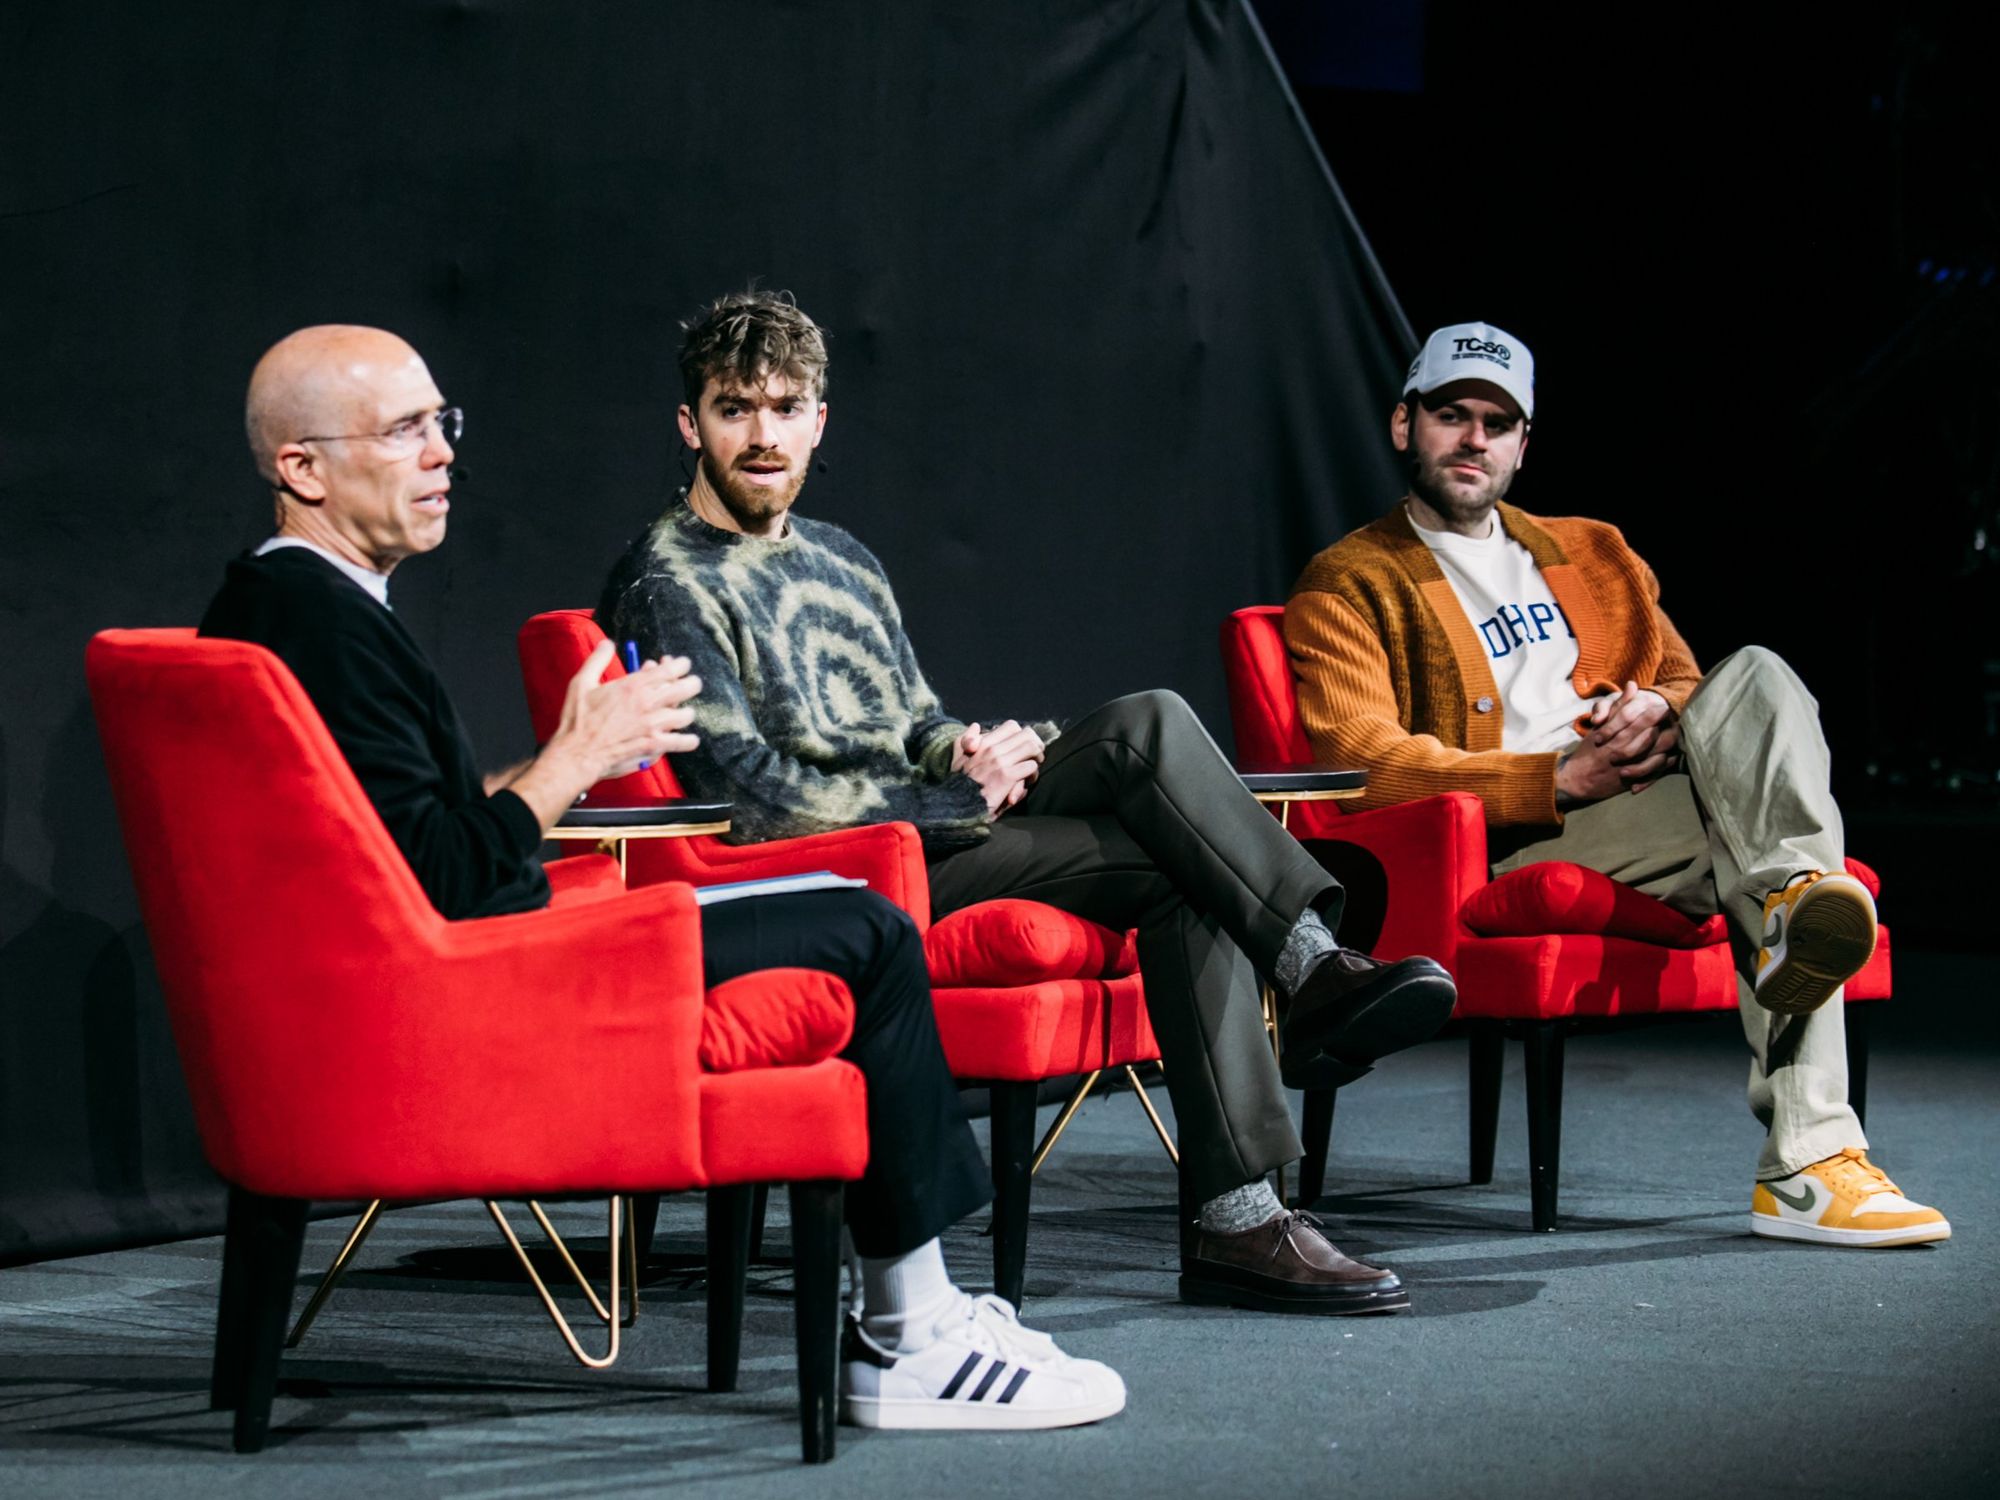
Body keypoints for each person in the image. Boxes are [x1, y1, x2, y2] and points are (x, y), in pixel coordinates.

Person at [199, 324, 1128, 1431]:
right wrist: (575, 761)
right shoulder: (318, 620)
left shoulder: (292, 604)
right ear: (300, 466)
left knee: (847, 917)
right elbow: (446, 877)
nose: (443, 453)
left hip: (471, 952)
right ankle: (911, 1336)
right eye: (404, 431)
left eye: (442, 424)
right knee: (868, 929)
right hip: (471, 982)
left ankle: (919, 1319)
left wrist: (544, 777)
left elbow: (401, 836)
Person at [597, 289, 1462, 1315]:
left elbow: (909, 718)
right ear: (689, 424)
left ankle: (1256, 1164)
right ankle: (1299, 1009)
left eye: (784, 408)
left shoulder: (844, 561)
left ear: (818, 422)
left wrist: (967, 746)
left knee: (1154, 744)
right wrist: (953, 799)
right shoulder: (667, 579)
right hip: (843, 872)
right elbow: (743, 802)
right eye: (734, 408)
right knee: (1188, 848)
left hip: (927, 824)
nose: (760, 434)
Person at [1283, 320, 1948, 1247]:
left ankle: (1795, 898)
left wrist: (1660, 714)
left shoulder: (1592, 548)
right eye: (1451, 415)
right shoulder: (1350, 581)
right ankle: (1808, 1153)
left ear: (1523, 445)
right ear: (1406, 425)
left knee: (1754, 673)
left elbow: (1687, 680)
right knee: (1771, 850)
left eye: (1497, 423)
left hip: (1655, 797)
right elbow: (1364, 765)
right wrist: (1557, 776)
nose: (1473, 438)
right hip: (1526, 832)